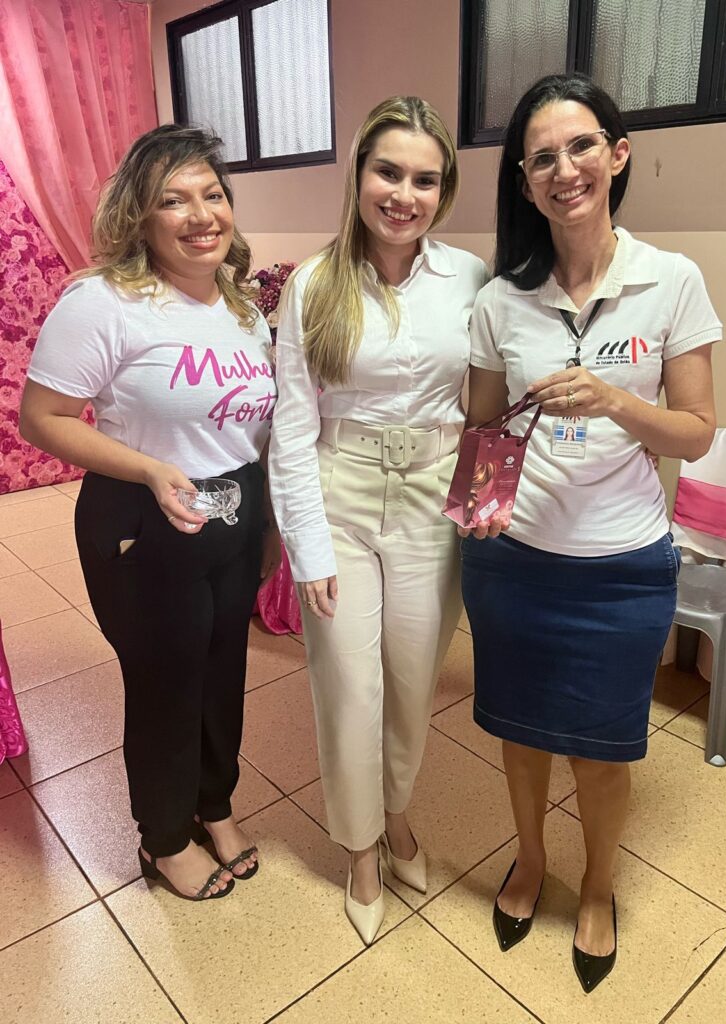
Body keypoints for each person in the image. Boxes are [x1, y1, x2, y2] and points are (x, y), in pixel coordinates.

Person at [461, 73, 720, 991]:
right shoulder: (501, 300)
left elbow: (696, 431)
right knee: (521, 736)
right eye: (542, 158)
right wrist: (476, 522)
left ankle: (600, 885)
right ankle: (532, 860)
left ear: (617, 154)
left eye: (580, 147)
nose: (563, 170)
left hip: (622, 568)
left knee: (603, 751)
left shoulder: (671, 280)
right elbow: (482, 428)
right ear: (525, 183)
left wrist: (615, 401)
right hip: (514, 566)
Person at [19, 125, 281, 901]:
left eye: (213, 195)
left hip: (233, 510)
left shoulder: (242, 307)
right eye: (174, 200)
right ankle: (164, 838)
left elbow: (252, 429)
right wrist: (149, 469)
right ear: (140, 214)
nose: (201, 215)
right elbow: (42, 419)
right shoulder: (103, 302)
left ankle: (214, 805)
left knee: (223, 671)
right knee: (167, 680)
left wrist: (266, 524)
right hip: (143, 513)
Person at [269, 96, 488, 944]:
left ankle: (398, 814)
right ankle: (362, 850)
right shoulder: (314, 284)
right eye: (388, 172)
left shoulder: (469, 278)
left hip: (433, 499)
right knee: (349, 686)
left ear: (444, 190)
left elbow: (487, 404)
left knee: (411, 680)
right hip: (341, 495)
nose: (404, 194)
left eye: (425, 180)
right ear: (359, 174)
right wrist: (308, 549)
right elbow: (292, 428)